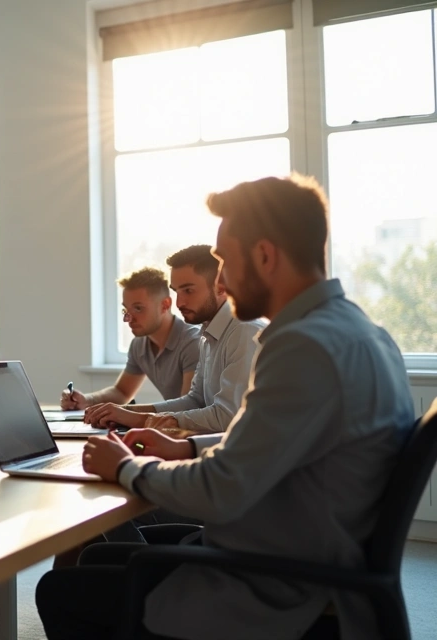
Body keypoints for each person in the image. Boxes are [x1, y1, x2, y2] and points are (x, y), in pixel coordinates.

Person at [37, 175, 414, 640]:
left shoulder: (303, 347)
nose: (221, 280)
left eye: (222, 261)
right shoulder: (360, 332)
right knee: (96, 557)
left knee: (59, 591)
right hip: (302, 550)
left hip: (280, 583)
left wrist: (128, 468)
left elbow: (222, 489)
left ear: (264, 255)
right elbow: (271, 444)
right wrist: (189, 447)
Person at [84, 245, 265, 434]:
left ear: (221, 286)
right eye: (176, 291)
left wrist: (139, 419)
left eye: (188, 290)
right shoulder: (208, 332)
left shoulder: (245, 332)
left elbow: (228, 417)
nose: (179, 303)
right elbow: (195, 400)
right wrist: (123, 412)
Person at [61, 267, 199, 409]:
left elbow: (187, 407)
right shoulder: (139, 345)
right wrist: (85, 400)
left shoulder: (192, 343)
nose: (128, 318)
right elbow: (122, 392)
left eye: (138, 308)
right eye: (126, 310)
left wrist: (127, 413)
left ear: (165, 305)